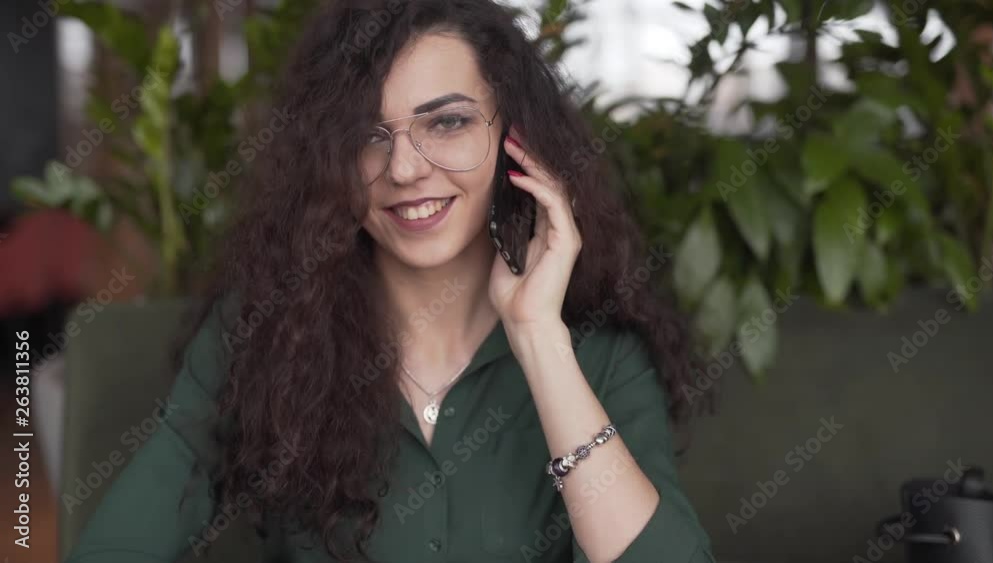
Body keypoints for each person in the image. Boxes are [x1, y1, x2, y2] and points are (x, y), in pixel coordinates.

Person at [64, 0, 716, 561]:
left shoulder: (598, 349)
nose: (405, 168)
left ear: (515, 138)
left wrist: (539, 337)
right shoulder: (260, 332)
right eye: (368, 136)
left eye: (447, 122)